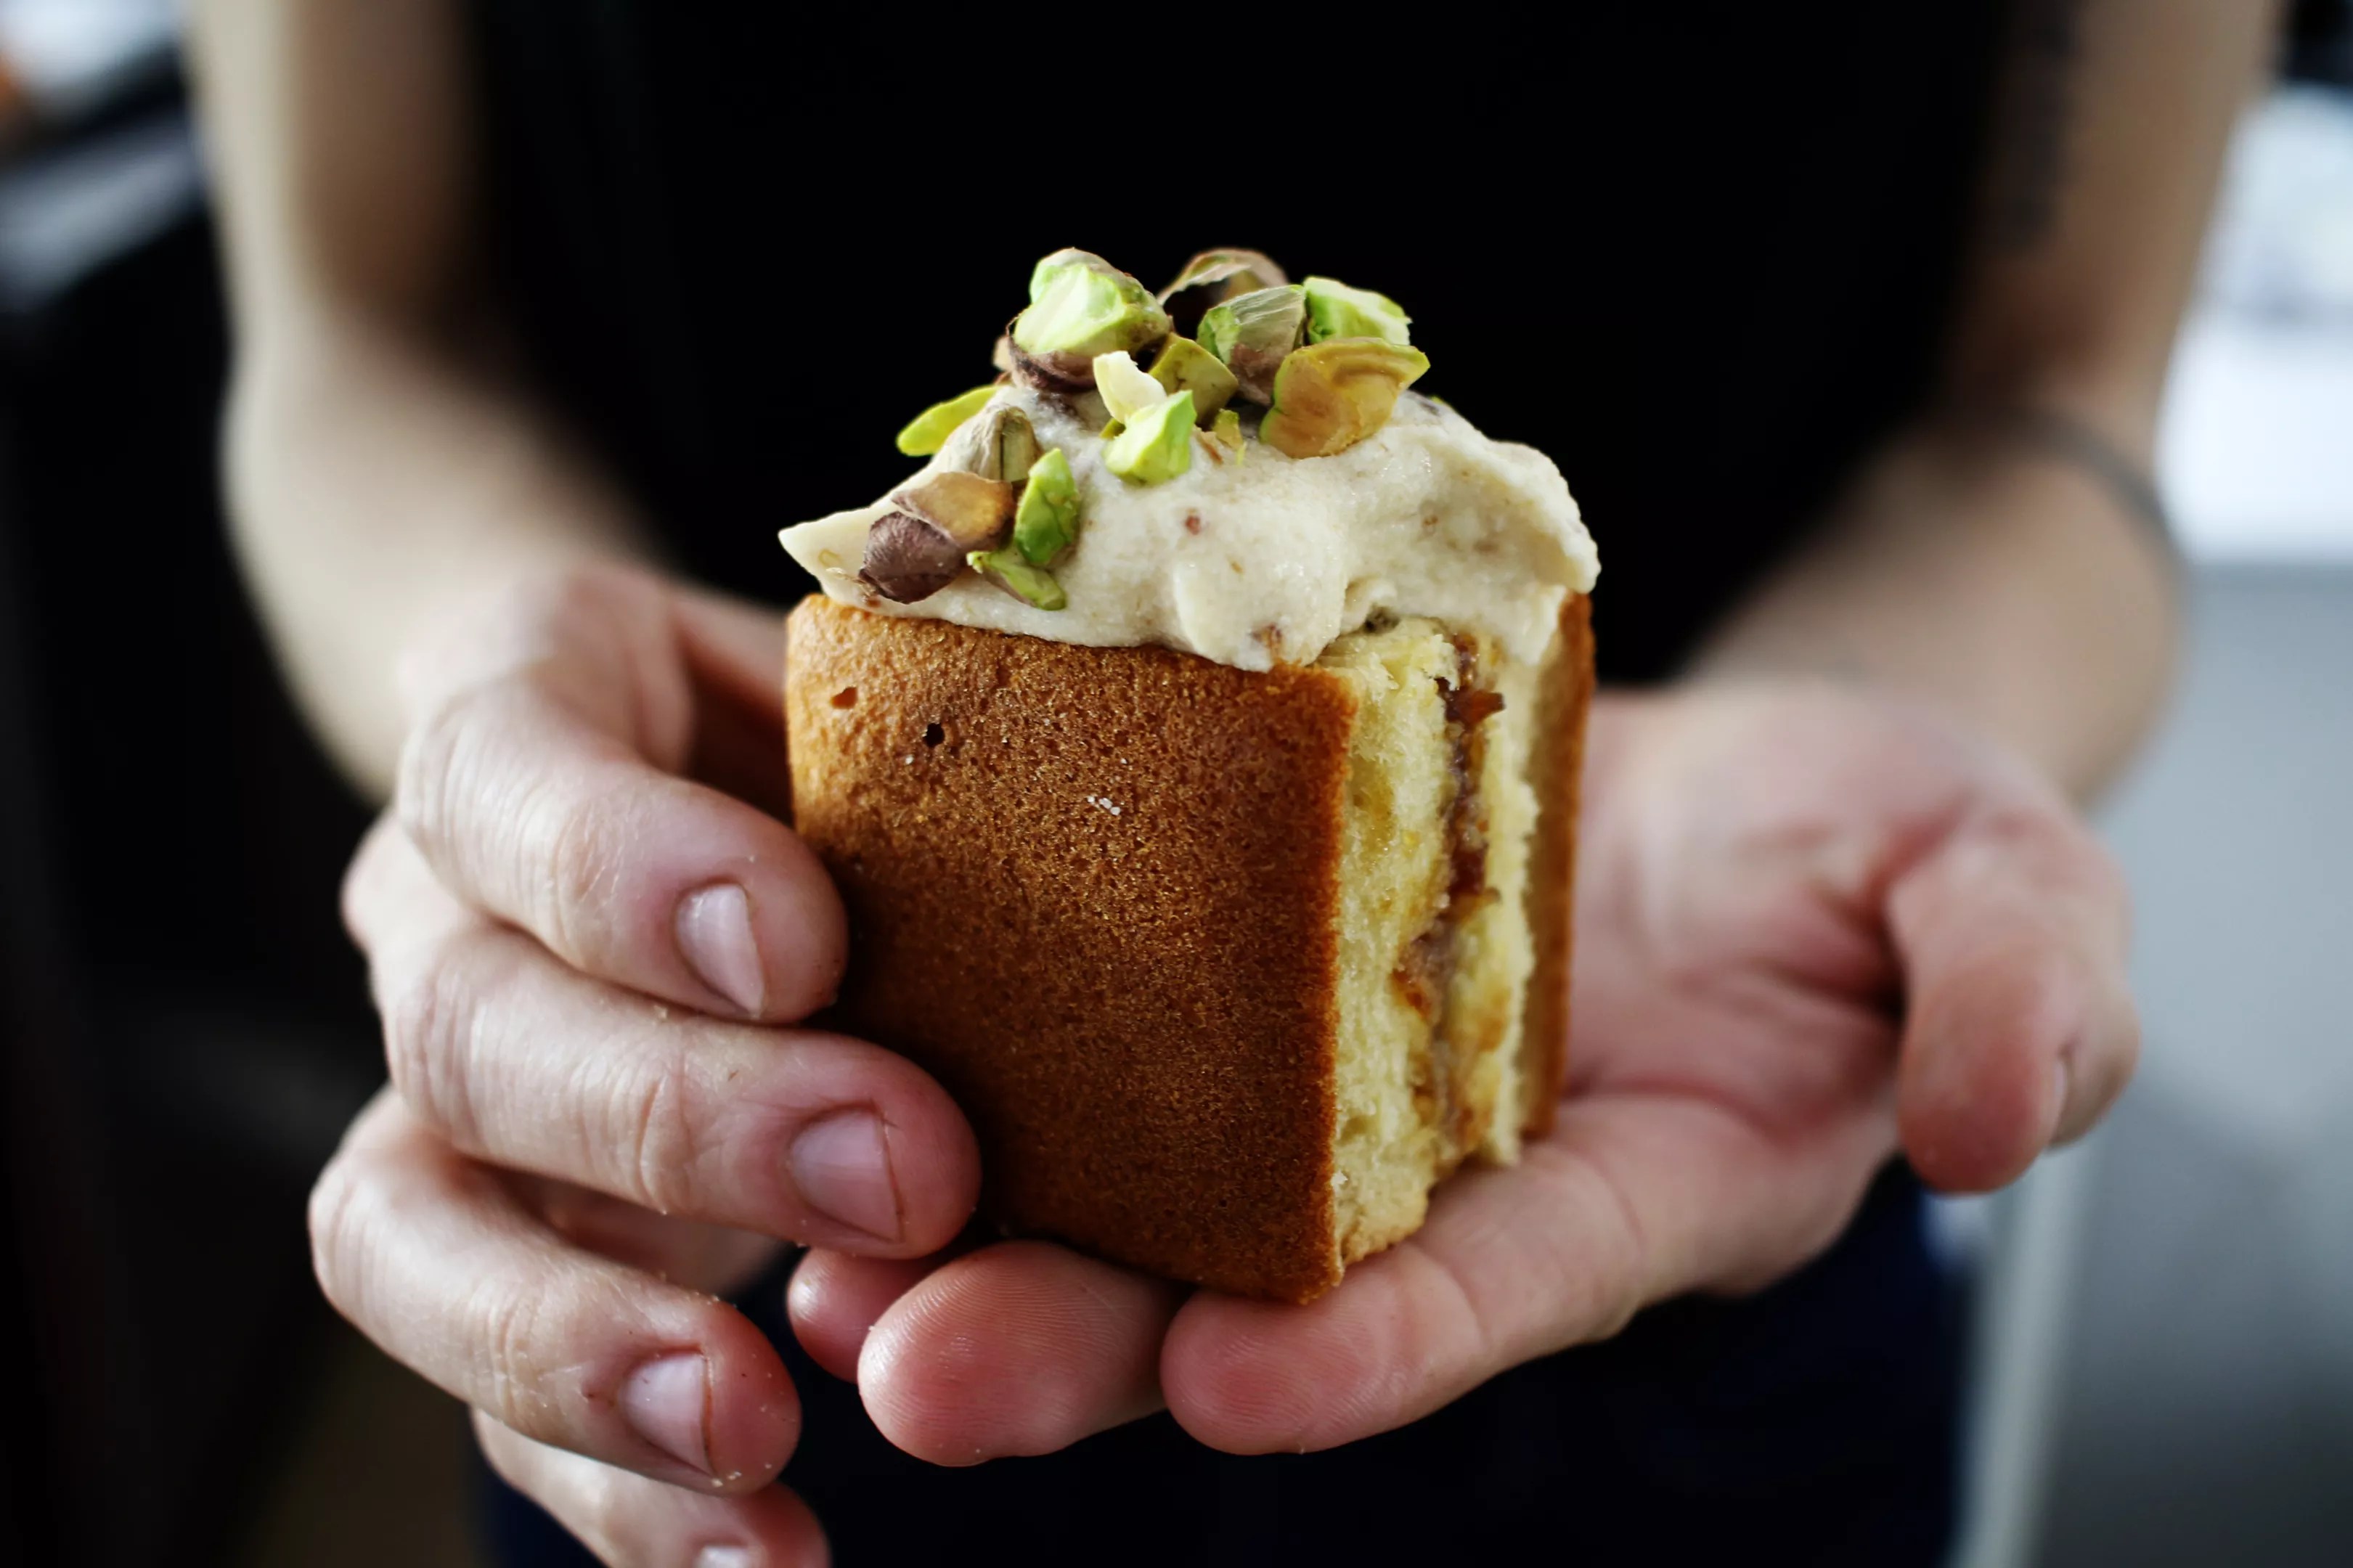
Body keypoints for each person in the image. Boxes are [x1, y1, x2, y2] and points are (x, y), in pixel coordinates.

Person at [189, 2, 2271, 1563]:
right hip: (783, 1242)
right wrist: (512, 732)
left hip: (1723, 1215)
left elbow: (2056, 398)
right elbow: (352, 332)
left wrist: (1873, 706)